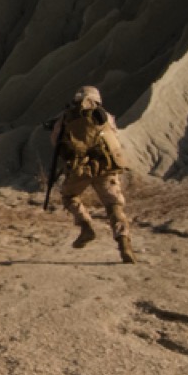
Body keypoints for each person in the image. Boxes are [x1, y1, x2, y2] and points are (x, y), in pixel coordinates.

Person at [51, 85, 136, 263]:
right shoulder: (105, 116)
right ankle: (124, 244)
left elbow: (56, 142)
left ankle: (85, 226)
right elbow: (114, 137)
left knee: (69, 196)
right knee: (114, 206)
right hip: (106, 166)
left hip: (80, 168)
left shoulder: (67, 117)